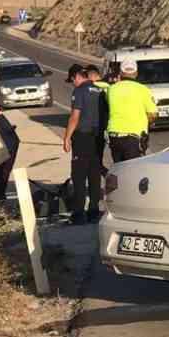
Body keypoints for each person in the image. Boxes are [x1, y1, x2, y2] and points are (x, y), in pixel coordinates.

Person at [64, 65, 106, 224]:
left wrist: (67, 137)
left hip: (82, 136)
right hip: (97, 138)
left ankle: (79, 213)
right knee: (94, 174)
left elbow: (75, 116)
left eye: (72, 80)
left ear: (77, 76)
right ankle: (94, 211)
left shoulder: (79, 91)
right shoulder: (99, 91)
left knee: (79, 175)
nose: (73, 83)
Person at [106, 59, 157, 162]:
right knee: (133, 171)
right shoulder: (143, 90)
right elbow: (152, 114)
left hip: (114, 136)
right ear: (136, 73)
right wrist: (147, 122)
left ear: (120, 72)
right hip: (133, 138)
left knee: (119, 169)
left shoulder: (111, 89)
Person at [85, 64, 110, 176]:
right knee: (98, 157)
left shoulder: (91, 88)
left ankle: (107, 176)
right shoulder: (109, 87)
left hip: (93, 128)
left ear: (92, 76)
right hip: (106, 126)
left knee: (94, 160)